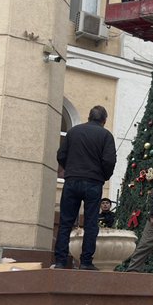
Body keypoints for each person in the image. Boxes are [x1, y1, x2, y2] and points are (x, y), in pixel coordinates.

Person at [52, 106, 117, 270]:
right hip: (94, 182)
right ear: (104, 120)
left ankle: (60, 261)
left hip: (72, 180)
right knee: (90, 223)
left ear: (89, 117)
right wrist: (104, 176)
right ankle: (86, 262)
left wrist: (70, 169)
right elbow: (109, 161)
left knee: (66, 222)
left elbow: (61, 155)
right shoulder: (106, 135)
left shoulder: (74, 132)